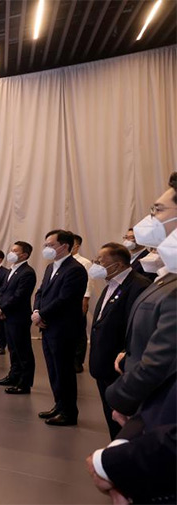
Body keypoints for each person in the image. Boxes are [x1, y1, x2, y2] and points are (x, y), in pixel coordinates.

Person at [106, 174, 177, 427]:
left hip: (161, 409)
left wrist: (119, 397)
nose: (151, 219)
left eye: (157, 210)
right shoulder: (167, 274)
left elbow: (162, 358)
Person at [87, 243, 151, 439]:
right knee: (111, 414)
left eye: (101, 262)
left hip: (119, 364)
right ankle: (115, 443)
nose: (96, 265)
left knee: (123, 416)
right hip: (103, 361)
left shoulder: (138, 286)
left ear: (119, 265)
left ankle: (123, 447)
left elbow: (136, 328)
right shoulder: (111, 283)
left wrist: (125, 355)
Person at [33, 229, 88, 426]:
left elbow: (65, 299)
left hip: (63, 328)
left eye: (50, 245)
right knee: (53, 369)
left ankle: (69, 412)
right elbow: (41, 292)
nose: (46, 248)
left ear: (64, 246)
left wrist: (42, 314)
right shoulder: (51, 267)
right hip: (48, 326)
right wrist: (37, 311)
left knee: (64, 371)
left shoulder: (75, 269)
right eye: (46, 245)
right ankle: (59, 404)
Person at [0, 241, 37, 394]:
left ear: (24, 255)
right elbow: (3, 291)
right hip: (7, 315)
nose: (11, 253)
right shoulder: (12, 269)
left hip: (19, 317)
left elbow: (19, 296)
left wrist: (2, 308)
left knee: (23, 350)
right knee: (12, 349)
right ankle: (13, 376)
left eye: (15, 251)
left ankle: (24, 383)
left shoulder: (27, 272)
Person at [71, 234, 93, 373]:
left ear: (77, 246)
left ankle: (78, 361)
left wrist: (85, 301)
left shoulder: (84, 262)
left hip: (79, 300)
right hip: (65, 302)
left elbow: (88, 283)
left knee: (79, 331)